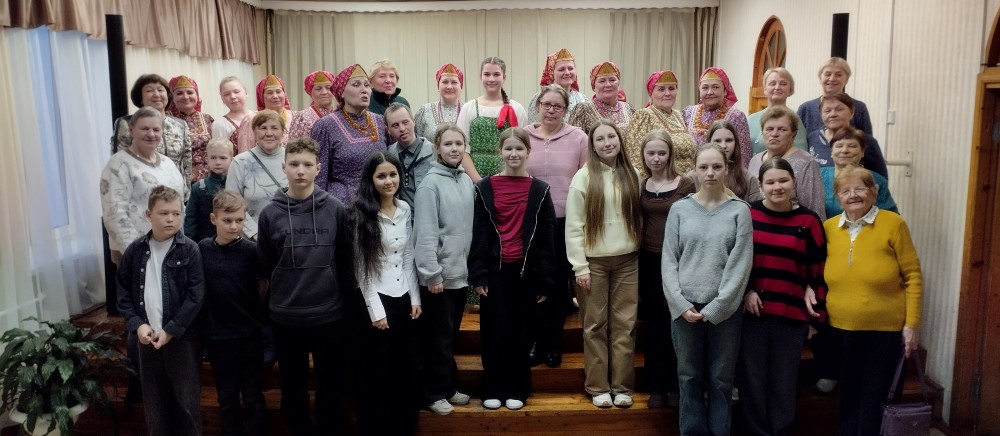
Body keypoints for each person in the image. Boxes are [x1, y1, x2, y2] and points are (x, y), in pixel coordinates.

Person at [256, 138, 356, 435]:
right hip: (287, 316)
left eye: (307, 165)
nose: (300, 170)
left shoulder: (335, 209)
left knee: (331, 384)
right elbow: (265, 265)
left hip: (329, 315)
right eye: (294, 164)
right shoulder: (269, 214)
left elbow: (345, 261)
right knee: (293, 385)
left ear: (318, 169)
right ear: (284, 167)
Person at [816, 166, 923, 436]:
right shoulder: (829, 227)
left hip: (884, 329)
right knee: (848, 395)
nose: (853, 195)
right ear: (837, 196)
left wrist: (912, 324)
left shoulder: (893, 223)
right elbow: (815, 268)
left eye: (860, 189)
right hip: (840, 327)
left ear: (874, 193)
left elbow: (913, 276)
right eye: (845, 190)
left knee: (876, 397)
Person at [661, 144, 753, 436]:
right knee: (688, 378)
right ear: (695, 171)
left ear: (727, 169)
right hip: (685, 309)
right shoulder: (680, 209)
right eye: (704, 167)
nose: (710, 173)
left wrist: (718, 307)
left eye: (716, 167)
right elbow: (669, 260)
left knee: (721, 380)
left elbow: (740, 265)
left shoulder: (740, 211)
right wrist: (679, 303)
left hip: (725, 311)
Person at [470, 127, 557, 411]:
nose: (514, 153)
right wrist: (479, 273)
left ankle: (518, 388)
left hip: (526, 273)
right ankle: (493, 387)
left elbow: (547, 237)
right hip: (495, 273)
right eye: (508, 148)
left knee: (521, 332)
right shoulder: (484, 187)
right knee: (494, 332)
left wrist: (545, 280)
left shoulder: (540, 190)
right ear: (500, 151)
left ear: (528, 152)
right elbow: (479, 233)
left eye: (519, 148)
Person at [739, 157, 827, 436]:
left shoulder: (809, 221)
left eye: (783, 180)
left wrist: (817, 317)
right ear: (761, 185)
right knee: (752, 380)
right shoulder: (748, 214)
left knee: (784, 381)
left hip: (792, 314)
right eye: (770, 182)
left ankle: (781, 431)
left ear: (794, 182)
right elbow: (736, 260)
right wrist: (747, 290)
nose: (777, 187)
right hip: (754, 312)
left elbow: (819, 271)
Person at [565, 120, 642, 408]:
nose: (607, 142)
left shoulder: (632, 174)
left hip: (627, 261)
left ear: (619, 140)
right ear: (593, 146)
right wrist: (580, 266)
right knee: (595, 325)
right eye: (600, 139)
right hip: (593, 263)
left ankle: (622, 387)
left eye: (611, 137)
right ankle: (598, 387)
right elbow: (574, 226)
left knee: (625, 326)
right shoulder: (583, 177)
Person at [116, 185, 205, 436]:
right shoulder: (135, 250)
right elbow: (123, 293)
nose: (171, 219)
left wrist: (171, 330)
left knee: (187, 404)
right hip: (147, 339)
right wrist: (138, 324)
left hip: (182, 339)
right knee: (154, 404)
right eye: (164, 213)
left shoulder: (190, 250)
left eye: (176, 214)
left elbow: (196, 295)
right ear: (148, 215)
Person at [351, 151, 422, 435]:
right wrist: (376, 312)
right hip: (374, 300)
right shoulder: (360, 213)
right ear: (371, 180)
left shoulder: (405, 208)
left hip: (402, 296)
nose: (388, 181)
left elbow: (407, 257)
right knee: (376, 372)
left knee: (404, 368)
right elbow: (361, 268)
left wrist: (415, 298)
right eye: (381, 176)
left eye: (393, 174)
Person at [524, 85, 589, 368]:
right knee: (533, 283)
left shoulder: (579, 138)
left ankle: (552, 342)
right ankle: (534, 341)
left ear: (566, 110)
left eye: (557, 106)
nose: (551, 110)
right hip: (531, 222)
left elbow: (587, 179)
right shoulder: (524, 135)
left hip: (566, 222)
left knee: (560, 285)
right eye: (546, 104)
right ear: (538, 105)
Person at [413, 124, 475, 416]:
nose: (454, 148)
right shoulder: (430, 184)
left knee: (449, 336)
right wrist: (432, 274)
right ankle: (433, 392)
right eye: (448, 144)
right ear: (437, 148)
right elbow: (425, 233)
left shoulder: (465, 181)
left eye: (458, 144)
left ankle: (448, 386)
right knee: (437, 339)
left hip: (459, 275)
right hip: (438, 278)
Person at [199, 190, 266, 436]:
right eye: (227, 220)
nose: (234, 226)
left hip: (248, 334)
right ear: (213, 219)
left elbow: (262, 285)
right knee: (226, 396)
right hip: (218, 336)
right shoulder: (202, 249)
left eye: (239, 220)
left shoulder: (251, 251)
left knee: (252, 395)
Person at [636, 130, 695, 408]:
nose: (656, 158)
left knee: (678, 324)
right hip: (648, 260)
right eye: (651, 153)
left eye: (662, 152)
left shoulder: (686, 184)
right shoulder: (641, 185)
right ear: (644, 155)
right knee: (654, 325)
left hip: (678, 261)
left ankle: (677, 386)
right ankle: (656, 386)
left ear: (670, 153)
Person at [101, 106, 187, 265]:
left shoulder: (168, 163)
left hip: (171, 252)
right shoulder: (119, 165)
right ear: (131, 130)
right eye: (145, 128)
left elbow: (180, 207)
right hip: (137, 256)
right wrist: (139, 255)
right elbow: (115, 214)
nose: (151, 134)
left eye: (156, 129)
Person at [312, 63, 389, 203]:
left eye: (367, 85)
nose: (364, 90)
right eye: (356, 85)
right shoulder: (325, 125)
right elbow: (318, 176)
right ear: (341, 92)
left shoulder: (380, 121)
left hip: (379, 203)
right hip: (343, 206)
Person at [747, 106, 826, 220]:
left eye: (782, 129)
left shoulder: (806, 162)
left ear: (793, 134)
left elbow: (815, 209)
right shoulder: (754, 161)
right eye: (769, 129)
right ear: (762, 132)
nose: (774, 134)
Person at [456, 57, 528, 181]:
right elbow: (462, 148)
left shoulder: (517, 108)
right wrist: (478, 181)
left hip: (509, 178)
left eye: (496, 74)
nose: (491, 79)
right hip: (473, 179)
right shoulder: (469, 108)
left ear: (504, 77)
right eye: (487, 74)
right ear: (480, 77)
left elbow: (523, 147)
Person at [111, 74, 192, 182]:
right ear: (140, 98)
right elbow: (119, 163)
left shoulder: (180, 125)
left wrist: (186, 189)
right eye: (149, 91)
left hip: (175, 189)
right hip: (141, 187)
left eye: (160, 90)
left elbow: (187, 163)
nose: (156, 94)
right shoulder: (127, 123)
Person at [225, 110, 287, 240]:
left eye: (274, 128)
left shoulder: (293, 159)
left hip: (289, 237)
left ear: (282, 132)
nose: (269, 133)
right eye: (263, 128)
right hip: (253, 239)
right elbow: (232, 203)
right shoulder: (240, 162)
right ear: (254, 132)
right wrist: (254, 233)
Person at [625, 70, 697, 176]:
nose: (667, 93)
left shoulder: (679, 115)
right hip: (662, 182)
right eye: (661, 89)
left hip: (689, 181)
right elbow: (636, 159)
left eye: (671, 88)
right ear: (651, 93)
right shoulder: (644, 115)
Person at [806, 92, 889, 178]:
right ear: (821, 115)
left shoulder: (866, 141)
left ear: (852, 112)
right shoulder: (811, 139)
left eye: (839, 109)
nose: (833, 114)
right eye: (827, 111)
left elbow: (881, 178)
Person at [682, 67, 752, 166]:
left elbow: (744, 156)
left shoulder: (737, 116)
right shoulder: (687, 113)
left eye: (715, 87)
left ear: (725, 91)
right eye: (705, 88)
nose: (710, 92)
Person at [821, 127, 897, 217]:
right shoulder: (818, 176)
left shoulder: (876, 180)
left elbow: (891, 216)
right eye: (839, 146)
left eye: (852, 146)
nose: (845, 150)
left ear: (862, 152)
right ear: (831, 152)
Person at [797, 57, 874, 135]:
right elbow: (796, 139)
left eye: (838, 75)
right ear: (820, 78)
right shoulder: (805, 109)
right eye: (827, 74)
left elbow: (867, 140)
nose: (832, 79)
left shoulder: (859, 107)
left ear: (846, 79)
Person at [747, 68, 808, 155]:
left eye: (783, 84)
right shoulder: (750, 120)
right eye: (772, 83)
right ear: (765, 89)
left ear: (790, 89)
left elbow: (801, 154)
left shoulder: (795, 120)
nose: (777, 87)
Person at [184, 138, 234, 243]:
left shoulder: (237, 186)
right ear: (207, 159)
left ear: (232, 159)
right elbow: (190, 219)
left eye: (223, 158)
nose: (218, 162)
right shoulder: (199, 188)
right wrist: (190, 244)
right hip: (204, 242)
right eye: (213, 158)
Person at [166, 75, 215, 183]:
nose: (185, 96)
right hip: (178, 180)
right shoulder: (167, 120)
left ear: (197, 95)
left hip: (209, 181)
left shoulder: (208, 119)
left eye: (190, 92)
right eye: (179, 93)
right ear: (172, 97)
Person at [386, 103, 434, 207]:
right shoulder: (389, 156)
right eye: (395, 125)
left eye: (405, 122)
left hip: (427, 213)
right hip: (400, 215)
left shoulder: (434, 153)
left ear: (414, 121)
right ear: (388, 130)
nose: (402, 129)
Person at [567, 61, 635, 133]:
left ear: (618, 83)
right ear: (593, 86)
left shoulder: (629, 109)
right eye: (602, 81)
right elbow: (574, 138)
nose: (608, 84)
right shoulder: (583, 110)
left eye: (612, 80)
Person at [526, 48, 588, 124]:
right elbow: (534, 127)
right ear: (551, 73)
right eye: (562, 69)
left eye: (570, 68)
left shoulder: (582, 99)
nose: (567, 72)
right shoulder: (539, 98)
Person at [234, 75, 293, 154]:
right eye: (269, 92)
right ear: (262, 97)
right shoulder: (252, 119)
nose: (275, 96)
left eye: (278, 91)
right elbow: (244, 151)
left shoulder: (295, 117)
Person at [706, 120, 760, 202]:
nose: (723, 146)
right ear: (709, 143)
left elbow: (754, 209)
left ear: (736, 143)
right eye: (717, 141)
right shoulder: (695, 177)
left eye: (729, 140)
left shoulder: (749, 179)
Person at [414, 64, 464, 139]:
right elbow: (416, 141)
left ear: (461, 87)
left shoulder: (468, 110)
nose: (449, 86)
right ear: (438, 86)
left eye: (454, 82)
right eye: (445, 82)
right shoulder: (425, 111)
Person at [287, 70, 338, 140]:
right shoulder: (302, 117)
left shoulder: (339, 115)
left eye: (328, 88)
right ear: (310, 92)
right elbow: (295, 145)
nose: (324, 92)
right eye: (318, 89)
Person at [212, 76, 255, 144]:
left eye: (236, 92)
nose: (232, 97)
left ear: (246, 93)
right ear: (222, 99)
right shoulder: (220, 124)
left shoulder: (260, 117)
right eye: (227, 94)